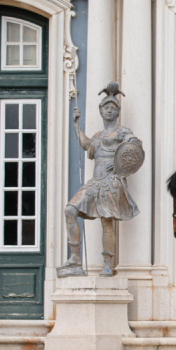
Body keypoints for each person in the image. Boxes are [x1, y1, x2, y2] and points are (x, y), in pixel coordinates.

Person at [57, 82, 141, 277]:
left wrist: (120, 164)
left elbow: (135, 147)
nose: (109, 111)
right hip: (96, 180)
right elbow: (86, 145)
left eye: (113, 108)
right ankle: (76, 260)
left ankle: (107, 264)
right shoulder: (98, 135)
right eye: (106, 108)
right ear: (101, 111)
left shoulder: (121, 131)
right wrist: (76, 124)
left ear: (117, 112)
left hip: (111, 182)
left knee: (107, 222)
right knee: (70, 209)